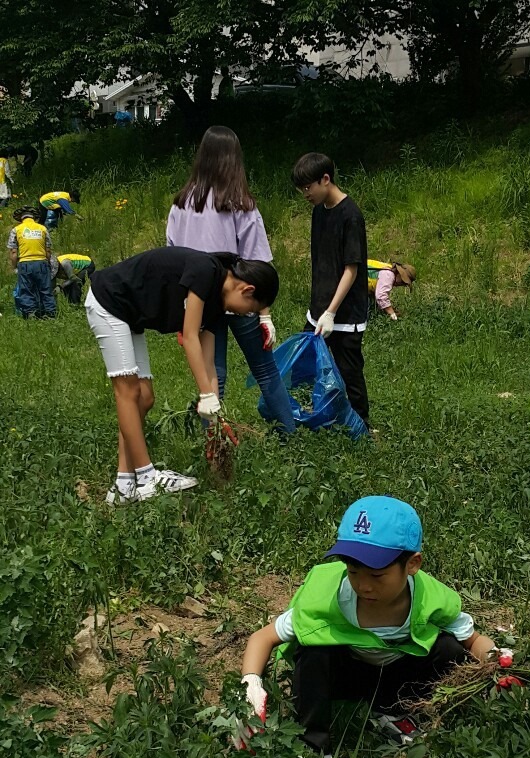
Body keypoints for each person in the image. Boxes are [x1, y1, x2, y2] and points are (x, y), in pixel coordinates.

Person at [236, 495, 505, 758]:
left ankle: (393, 709)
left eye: (377, 575)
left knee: (449, 648)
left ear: (412, 564)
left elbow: (473, 640)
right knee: (314, 649)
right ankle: (313, 749)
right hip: (344, 676)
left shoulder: (432, 599)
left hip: (398, 676)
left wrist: (497, 661)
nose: (364, 585)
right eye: (353, 571)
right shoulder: (326, 598)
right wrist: (251, 685)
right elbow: (262, 637)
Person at [85, 246, 279, 504]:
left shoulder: (218, 307)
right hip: (109, 301)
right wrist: (205, 395)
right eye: (252, 309)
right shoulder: (206, 271)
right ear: (247, 290)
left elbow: (207, 363)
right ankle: (146, 477)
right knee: (129, 391)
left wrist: (214, 411)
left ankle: (123, 485)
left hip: (130, 315)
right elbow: (189, 337)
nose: (247, 314)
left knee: (145, 398)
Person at [167, 125, 295, 434]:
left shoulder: (181, 204)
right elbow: (258, 264)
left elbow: (173, 257)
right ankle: (289, 434)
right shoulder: (240, 204)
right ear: (234, 159)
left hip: (199, 301)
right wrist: (265, 315)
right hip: (240, 296)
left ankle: (213, 442)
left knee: (213, 375)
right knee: (265, 370)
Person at [292, 152, 370, 428]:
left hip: (345, 314)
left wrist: (331, 312)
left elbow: (351, 269)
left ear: (325, 179)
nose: (305, 194)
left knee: (350, 371)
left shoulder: (351, 215)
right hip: (319, 310)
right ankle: (319, 415)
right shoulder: (318, 211)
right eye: (301, 189)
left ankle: (362, 426)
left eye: (308, 187)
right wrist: (320, 310)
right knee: (307, 364)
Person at [7, 207, 56, 319]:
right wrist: (47, 263)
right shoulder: (43, 229)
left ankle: (31, 313)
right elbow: (48, 250)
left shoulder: (16, 230)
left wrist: (14, 266)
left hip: (25, 263)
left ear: (21, 218)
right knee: (45, 289)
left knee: (26, 289)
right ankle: (50, 313)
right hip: (41, 262)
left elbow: (13, 252)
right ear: (34, 217)